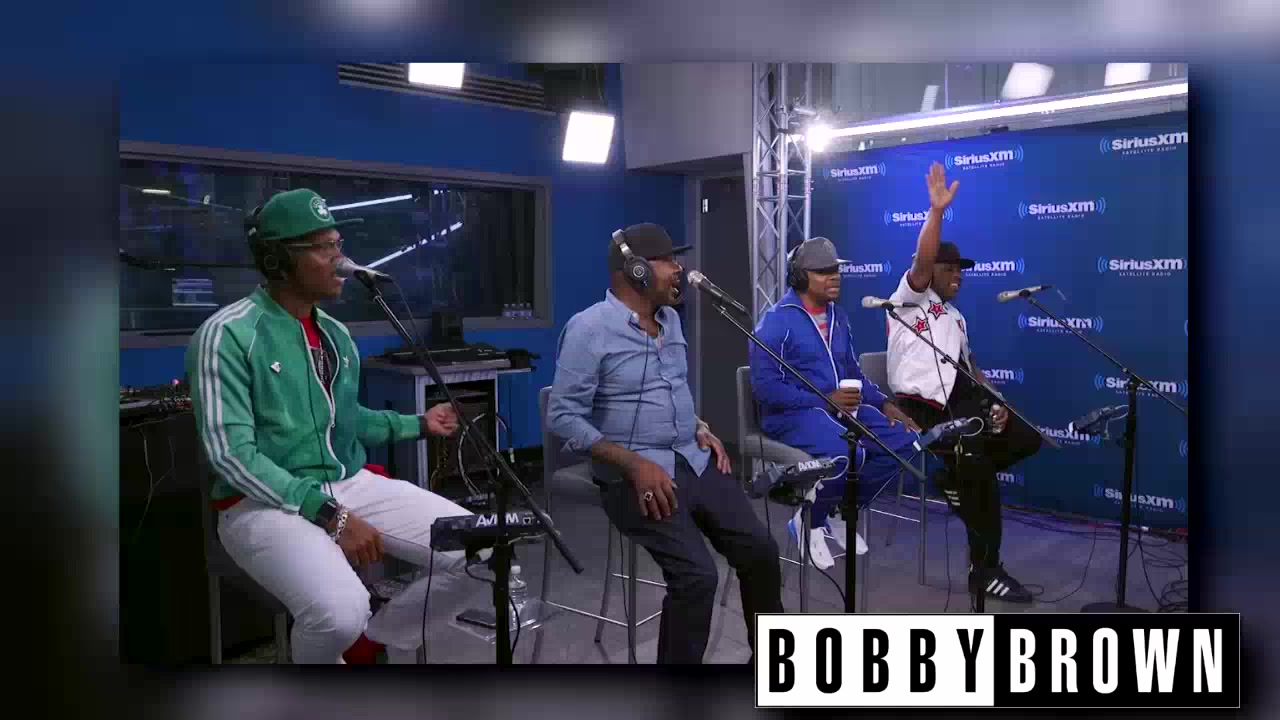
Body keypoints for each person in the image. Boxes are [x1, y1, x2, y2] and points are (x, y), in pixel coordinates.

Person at [188, 188, 478, 663]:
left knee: (482, 553)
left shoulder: (336, 334)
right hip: (260, 504)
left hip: (346, 483)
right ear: (278, 260)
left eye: (338, 244)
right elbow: (231, 455)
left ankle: (379, 635)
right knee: (340, 613)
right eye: (324, 248)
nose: (341, 261)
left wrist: (418, 424)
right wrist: (331, 516)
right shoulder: (227, 334)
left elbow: (345, 419)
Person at [547, 222, 783, 664]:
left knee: (761, 552)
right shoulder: (588, 329)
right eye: (668, 261)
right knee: (697, 577)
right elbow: (562, 416)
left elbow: (669, 388)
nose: (679, 269)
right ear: (635, 270)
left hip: (692, 459)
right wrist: (634, 464)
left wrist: (698, 426)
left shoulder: (670, 320)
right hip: (634, 475)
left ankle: (773, 667)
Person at [887, 162, 1042, 604]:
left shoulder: (956, 316)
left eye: (961, 269)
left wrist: (996, 401)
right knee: (977, 470)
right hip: (923, 409)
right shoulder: (908, 299)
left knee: (1025, 438)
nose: (958, 275)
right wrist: (936, 212)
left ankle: (956, 476)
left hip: (963, 404)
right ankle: (985, 569)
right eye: (949, 268)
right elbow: (921, 261)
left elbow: (970, 366)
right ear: (931, 271)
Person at [750, 237, 927, 570]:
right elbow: (765, 388)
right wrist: (824, 399)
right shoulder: (776, 321)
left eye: (836, 270)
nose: (834, 277)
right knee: (849, 452)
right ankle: (810, 520)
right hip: (791, 415)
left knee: (907, 443)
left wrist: (884, 404)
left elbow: (852, 372)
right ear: (799, 277)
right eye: (823, 271)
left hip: (836, 411)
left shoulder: (838, 317)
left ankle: (840, 509)